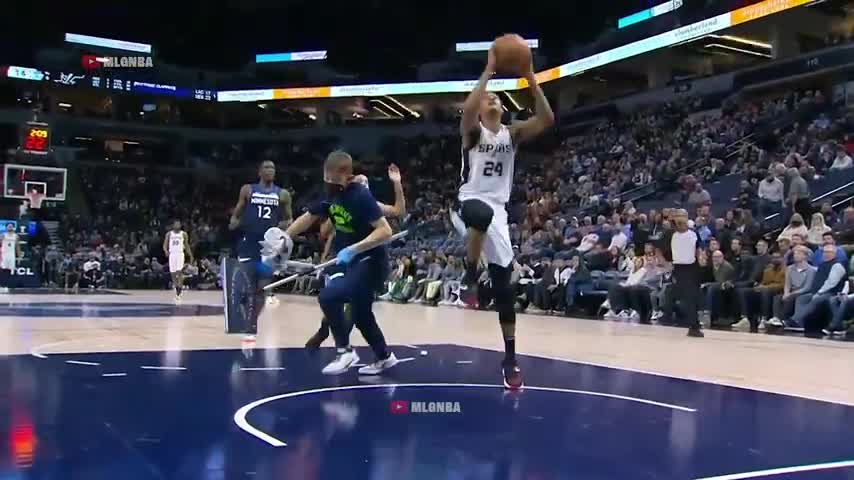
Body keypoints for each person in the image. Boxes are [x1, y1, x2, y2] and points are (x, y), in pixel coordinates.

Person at [451, 43, 554, 390]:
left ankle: (510, 359)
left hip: (499, 212)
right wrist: (489, 71)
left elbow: (547, 119)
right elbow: (467, 111)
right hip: (468, 203)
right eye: (487, 98)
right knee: (478, 214)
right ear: (481, 108)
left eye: (496, 97)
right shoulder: (474, 131)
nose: (492, 99)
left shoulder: (513, 134)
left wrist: (529, 76)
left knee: (504, 291)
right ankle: (468, 276)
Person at [285, 150, 397, 376]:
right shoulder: (328, 194)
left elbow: (385, 231)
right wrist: (284, 236)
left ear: (347, 176)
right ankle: (385, 357)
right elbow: (309, 217)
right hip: (354, 263)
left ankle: (345, 351)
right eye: (326, 180)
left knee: (329, 296)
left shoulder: (360, 196)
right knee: (362, 316)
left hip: (371, 261)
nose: (329, 186)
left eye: (333, 182)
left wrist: (353, 249)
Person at [305, 164, 406, 351]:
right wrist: (333, 214)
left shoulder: (371, 206)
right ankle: (327, 332)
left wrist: (397, 184)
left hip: (364, 259)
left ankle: (342, 345)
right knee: (335, 299)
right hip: (340, 258)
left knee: (354, 306)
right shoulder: (340, 203)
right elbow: (324, 232)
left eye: (363, 184)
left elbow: (398, 210)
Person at [227, 160, 293, 343]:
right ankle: (243, 312)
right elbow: (238, 211)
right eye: (266, 167)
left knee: (261, 289)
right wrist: (234, 221)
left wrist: (279, 228)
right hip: (248, 243)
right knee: (243, 286)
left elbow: (289, 219)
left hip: (268, 248)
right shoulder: (248, 190)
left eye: (273, 167)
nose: (270, 170)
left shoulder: (283, 194)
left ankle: (251, 325)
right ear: (259, 171)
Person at [770, 244, 847, 331]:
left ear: (835, 253)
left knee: (816, 299)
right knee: (802, 298)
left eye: (829, 252)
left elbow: (831, 283)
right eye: (824, 252)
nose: (826, 254)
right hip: (817, 292)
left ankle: (794, 320)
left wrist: (819, 292)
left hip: (831, 292)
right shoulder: (822, 265)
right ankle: (799, 323)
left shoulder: (837, 266)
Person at [662, 209, 703, 337]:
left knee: (691, 297)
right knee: (681, 295)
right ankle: (690, 324)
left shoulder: (694, 233)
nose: (680, 219)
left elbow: (698, 248)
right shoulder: (670, 234)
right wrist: (665, 263)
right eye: (678, 216)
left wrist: (701, 258)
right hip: (678, 268)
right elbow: (657, 248)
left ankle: (692, 325)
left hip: (692, 268)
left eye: (682, 216)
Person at [734, 251, 785, 332]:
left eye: (777, 258)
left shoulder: (785, 270)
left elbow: (782, 285)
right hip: (765, 289)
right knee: (744, 291)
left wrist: (765, 287)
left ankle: (763, 319)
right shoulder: (768, 270)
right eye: (773, 258)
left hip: (777, 292)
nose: (775, 259)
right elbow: (764, 282)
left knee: (765, 292)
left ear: (782, 259)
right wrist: (759, 287)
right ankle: (745, 318)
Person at [163, 220, 194, 302]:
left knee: (179, 271)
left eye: (178, 224)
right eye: (176, 224)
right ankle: (177, 286)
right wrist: (166, 251)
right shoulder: (169, 234)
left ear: (180, 225)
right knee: (173, 273)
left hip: (180, 253)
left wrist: (190, 255)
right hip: (172, 254)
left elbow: (186, 245)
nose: (177, 225)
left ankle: (179, 290)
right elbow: (165, 244)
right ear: (173, 225)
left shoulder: (183, 234)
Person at [0, 223, 20, 293]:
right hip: (4, 254)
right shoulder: (3, 235)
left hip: (11, 255)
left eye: (11, 226)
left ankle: (7, 285)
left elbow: (17, 247)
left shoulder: (16, 236)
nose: (10, 228)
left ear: (13, 228)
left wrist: (19, 256)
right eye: (9, 226)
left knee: (10, 270)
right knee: (3, 269)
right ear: (6, 228)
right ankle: (2, 285)